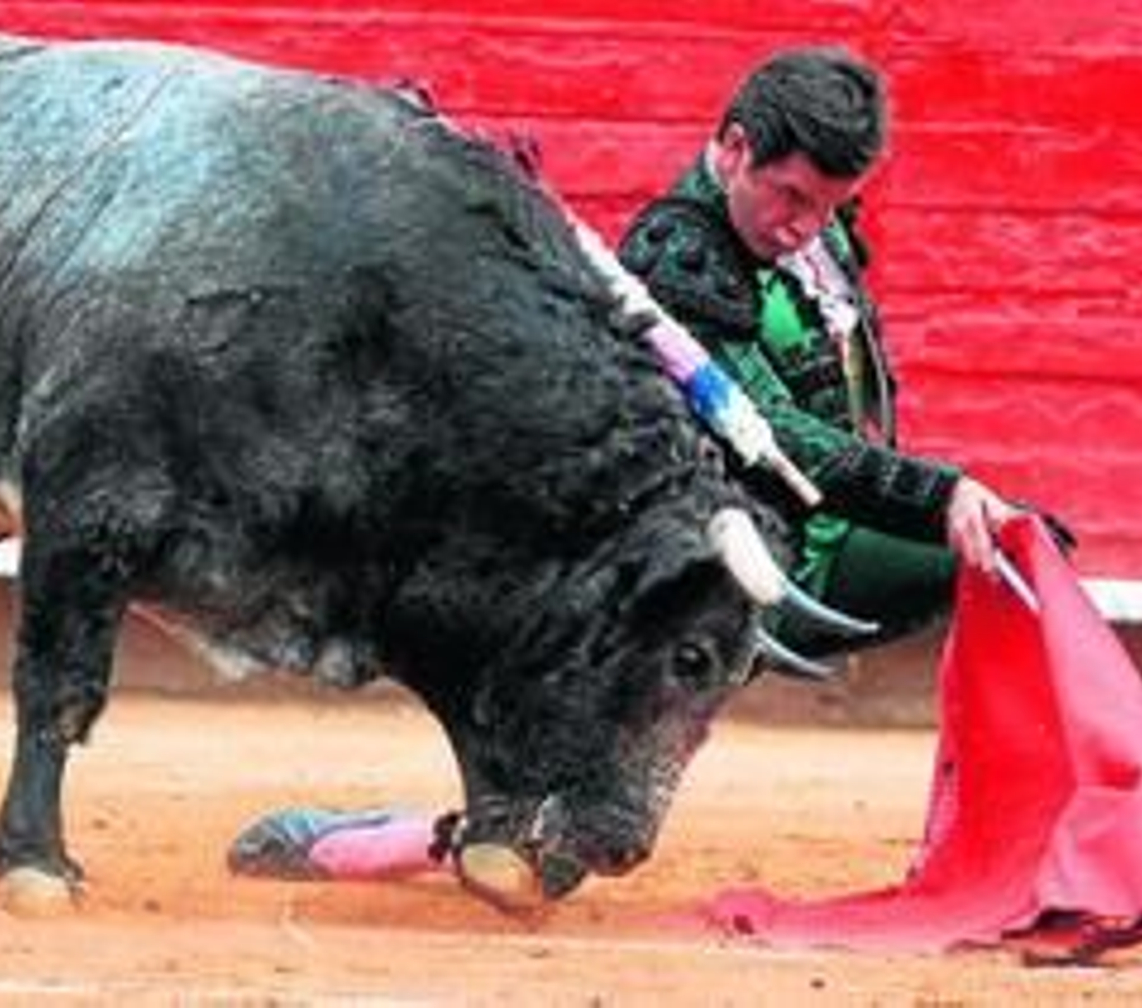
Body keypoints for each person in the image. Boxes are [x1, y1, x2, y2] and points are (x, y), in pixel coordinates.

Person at [225, 45, 1046, 882]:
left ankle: (1027, 842)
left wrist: (947, 503)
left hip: (807, 544)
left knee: (1023, 554)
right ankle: (354, 844)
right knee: (561, 844)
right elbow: (773, 432)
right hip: (691, 574)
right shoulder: (677, 256)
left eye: (828, 204)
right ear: (734, 147)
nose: (804, 225)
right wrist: (933, 492)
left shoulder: (816, 232)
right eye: (791, 195)